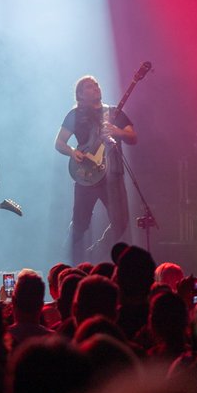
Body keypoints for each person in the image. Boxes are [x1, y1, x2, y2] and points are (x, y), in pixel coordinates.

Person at [55, 75, 137, 263]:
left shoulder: (114, 112)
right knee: (80, 224)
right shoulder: (74, 115)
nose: (96, 88)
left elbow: (133, 137)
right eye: (90, 86)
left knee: (121, 222)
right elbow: (59, 143)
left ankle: (96, 253)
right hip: (86, 175)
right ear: (80, 94)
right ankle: (67, 258)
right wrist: (72, 151)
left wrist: (117, 131)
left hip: (112, 176)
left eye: (97, 85)